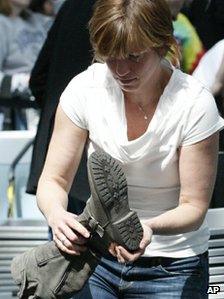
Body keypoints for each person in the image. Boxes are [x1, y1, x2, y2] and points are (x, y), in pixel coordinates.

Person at [36, 0, 224, 298]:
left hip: (173, 266)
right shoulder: (85, 89)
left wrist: (147, 228)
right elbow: (54, 180)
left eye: (134, 57)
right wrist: (57, 215)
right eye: (110, 57)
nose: (122, 70)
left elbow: (194, 206)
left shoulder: (194, 103)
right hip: (96, 259)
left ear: (163, 45)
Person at [26, 0, 95, 217]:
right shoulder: (132, 8)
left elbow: (38, 78)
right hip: (87, 174)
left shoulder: (73, 5)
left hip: (62, 174)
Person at [0, 0, 51, 130]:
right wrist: (23, 82)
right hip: (17, 112)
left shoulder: (36, 20)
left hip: (41, 104)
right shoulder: (2, 24)